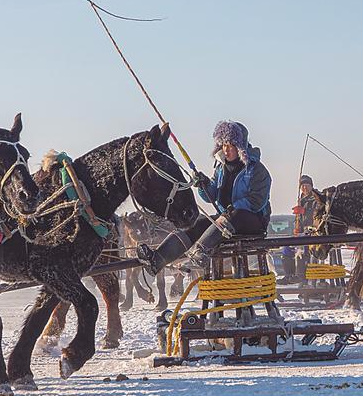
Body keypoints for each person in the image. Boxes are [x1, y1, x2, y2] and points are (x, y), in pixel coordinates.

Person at [136, 120, 272, 274]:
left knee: (236, 215)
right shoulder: (220, 168)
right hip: (225, 221)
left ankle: (200, 254)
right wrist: (204, 185)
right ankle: (157, 258)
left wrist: (230, 211)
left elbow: (256, 202)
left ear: (240, 147)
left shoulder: (257, 170)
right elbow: (210, 196)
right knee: (198, 222)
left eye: (231, 146)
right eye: (224, 145)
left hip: (252, 221)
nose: (226, 150)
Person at [290, 174, 319, 282]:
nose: (304, 188)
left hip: (313, 232)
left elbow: (316, 214)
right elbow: (299, 218)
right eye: (302, 186)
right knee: (290, 252)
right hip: (302, 233)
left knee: (310, 257)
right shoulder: (301, 199)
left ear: (311, 186)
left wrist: (304, 211)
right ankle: (295, 277)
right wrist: (297, 226)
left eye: (306, 185)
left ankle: (312, 281)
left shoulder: (316, 198)